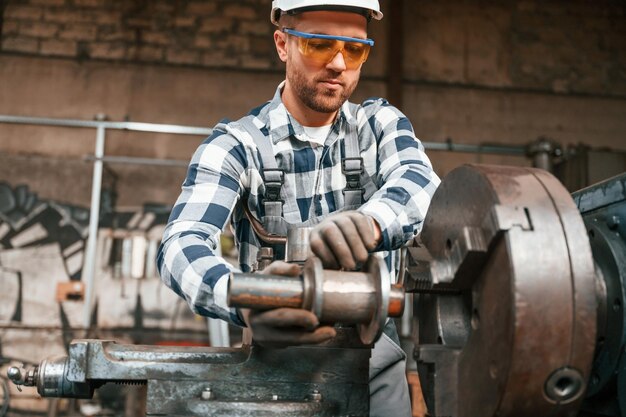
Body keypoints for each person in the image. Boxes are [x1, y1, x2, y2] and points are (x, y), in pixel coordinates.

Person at [157, 1, 440, 415]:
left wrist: (371, 223)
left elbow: (421, 184)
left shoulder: (379, 126)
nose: (339, 64)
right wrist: (248, 301)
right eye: (320, 45)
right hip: (272, 374)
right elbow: (181, 245)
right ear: (282, 44)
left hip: (374, 372)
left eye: (355, 49)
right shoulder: (237, 146)